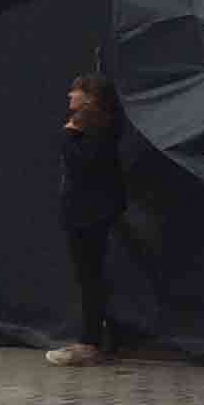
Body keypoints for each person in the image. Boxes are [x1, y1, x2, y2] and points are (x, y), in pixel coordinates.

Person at [48, 75, 127, 368]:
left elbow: (81, 165)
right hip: (86, 212)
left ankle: (90, 342)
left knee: (89, 277)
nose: (70, 95)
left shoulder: (97, 129)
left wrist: (68, 134)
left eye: (76, 91)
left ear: (90, 97)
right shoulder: (98, 127)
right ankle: (97, 336)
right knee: (90, 276)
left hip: (88, 215)